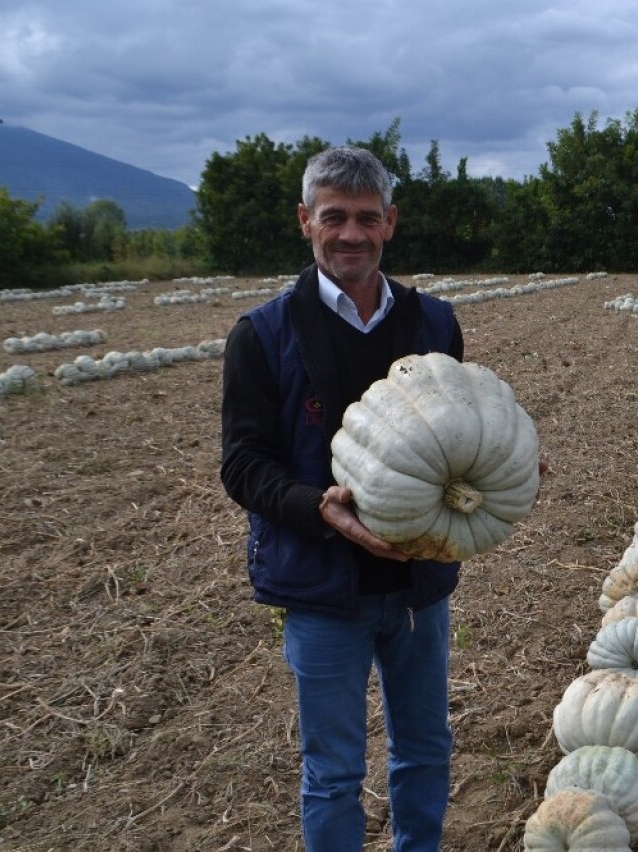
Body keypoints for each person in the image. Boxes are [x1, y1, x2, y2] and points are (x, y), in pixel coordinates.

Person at [219, 145, 464, 851]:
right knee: (332, 771)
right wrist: (313, 507)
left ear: (389, 222)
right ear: (306, 221)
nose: (350, 234)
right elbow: (242, 465)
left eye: (366, 218)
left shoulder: (434, 325)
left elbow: (458, 427)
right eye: (334, 218)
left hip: (418, 585)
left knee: (426, 747)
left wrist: (497, 470)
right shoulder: (261, 336)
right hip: (322, 590)